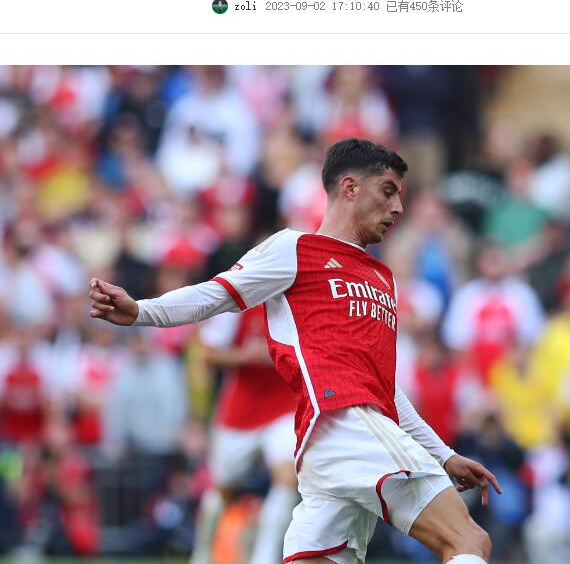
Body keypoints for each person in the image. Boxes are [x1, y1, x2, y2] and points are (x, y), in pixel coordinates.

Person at [89, 138, 502, 564]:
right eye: (388, 190)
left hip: (329, 448)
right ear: (350, 188)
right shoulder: (296, 248)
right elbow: (216, 294)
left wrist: (444, 454)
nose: (398, 207)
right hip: (345, 424)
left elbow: (386, 391)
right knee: (469, 541)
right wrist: (141, 311)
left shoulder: (384, 278)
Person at [190, 305, 297, 564]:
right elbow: (207, 354)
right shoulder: (239, 304)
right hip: (241, 412)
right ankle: (202, 554)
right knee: (223, 488)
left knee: (287, 478)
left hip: (285, 406)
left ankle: (264, 558)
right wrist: (249, 356)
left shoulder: (298, 301)